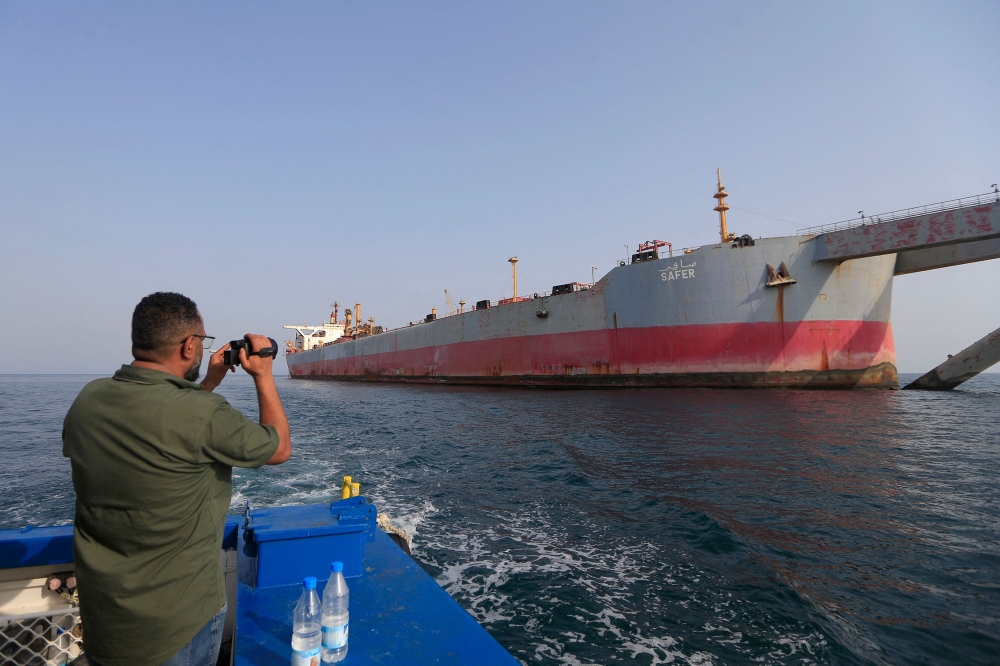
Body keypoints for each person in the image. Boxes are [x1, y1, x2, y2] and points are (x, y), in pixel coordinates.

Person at [63, 292, 291, 666]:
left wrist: (207, 384)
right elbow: (279, 448)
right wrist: (263, 375)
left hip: (106, 619)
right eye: (203, 340)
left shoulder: (88, 399)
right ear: (189, 346)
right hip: (178, 624)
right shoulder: (201, 414)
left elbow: (164, 428)